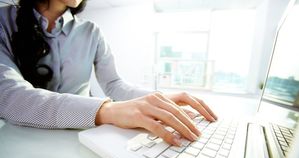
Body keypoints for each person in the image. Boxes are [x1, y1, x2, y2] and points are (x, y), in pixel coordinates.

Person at [0, 0, 217, 146]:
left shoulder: (91, 31)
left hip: (82, 137)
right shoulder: (4, 18)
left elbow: (114, 85)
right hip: (21, 141)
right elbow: (9, 95)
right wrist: (107, 110)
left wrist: (157, 99)